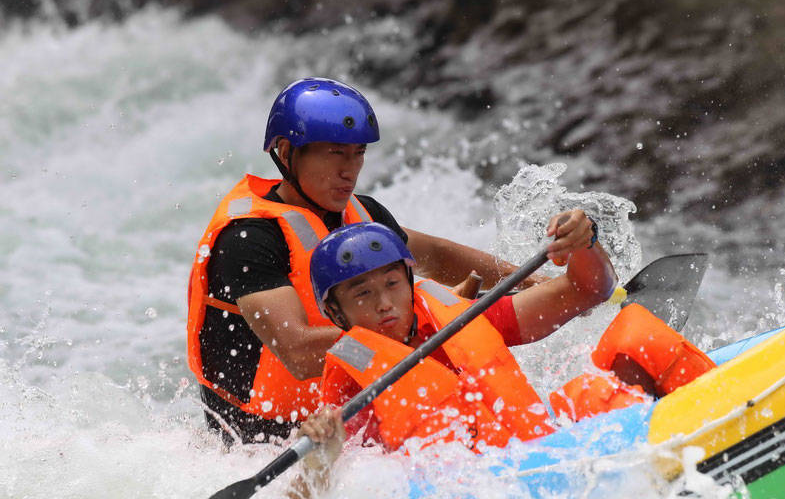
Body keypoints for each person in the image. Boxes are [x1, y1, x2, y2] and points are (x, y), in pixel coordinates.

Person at [186, 77, 552, 444]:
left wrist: (533, 281)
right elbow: (297, 352)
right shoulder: (247, 239)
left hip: (354, 411)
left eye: (358, 153)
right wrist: (415, 327)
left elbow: (437, 255)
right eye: (335, 153)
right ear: (285, 153)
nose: (350, 170)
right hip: (262, 438)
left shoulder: (363, 215)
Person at [303, 221, 715, 454]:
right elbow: (325, 498)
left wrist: (585, 244)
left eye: (393, 284)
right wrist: (323, 452)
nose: (384, 304)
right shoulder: (352, 385)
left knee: (636, 336)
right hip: (475, 497)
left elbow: (587, 290)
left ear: (410, 283)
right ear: (335, 313)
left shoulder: (458, 318)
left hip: (536, 451)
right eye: (362, 294)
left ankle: (724, 426)